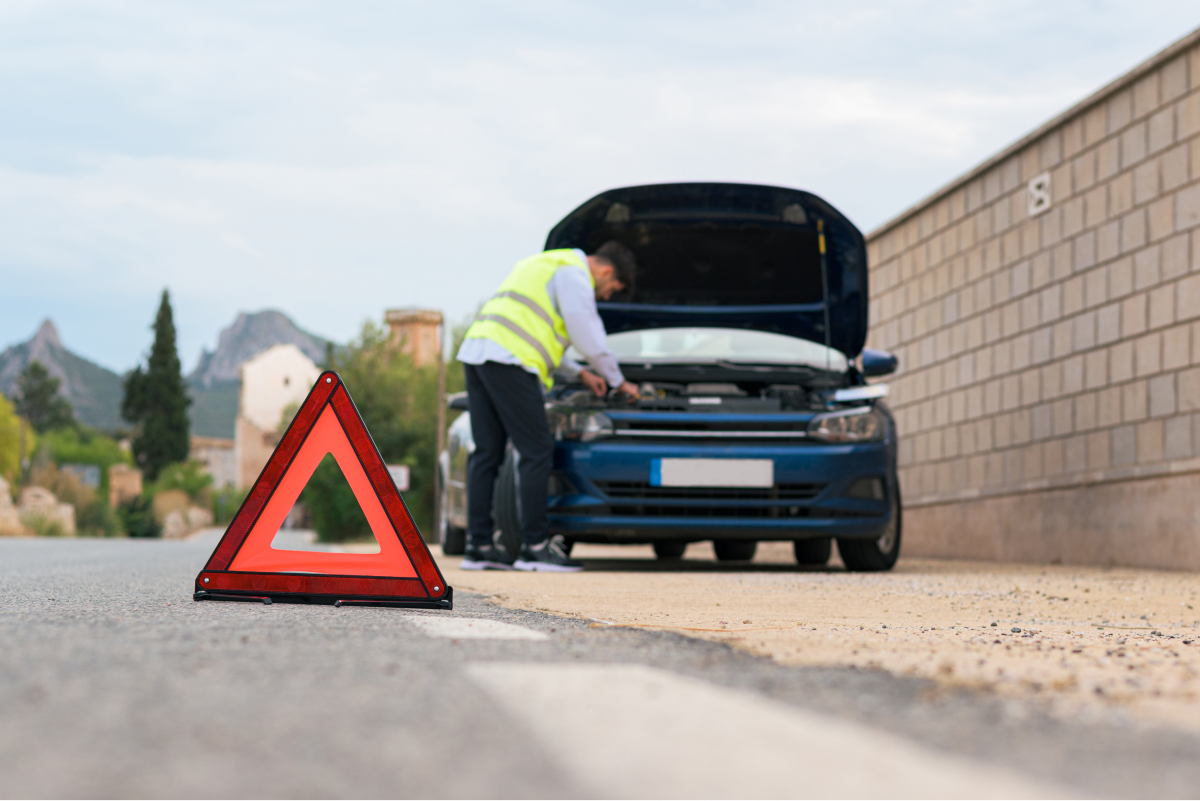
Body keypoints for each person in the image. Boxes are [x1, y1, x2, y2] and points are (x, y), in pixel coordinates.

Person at [456, 242, 640, 572]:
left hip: (479, 352)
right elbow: (587, 334)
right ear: (606, 271)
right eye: (613, 289)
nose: (607, 297)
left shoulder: (545, 264)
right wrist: (618, 381)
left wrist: (581, 373)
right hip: (510, 360)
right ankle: (535, 548)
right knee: (537, 449)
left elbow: (538, 334)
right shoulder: (574, 274)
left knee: (487, 452)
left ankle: (479, 547)